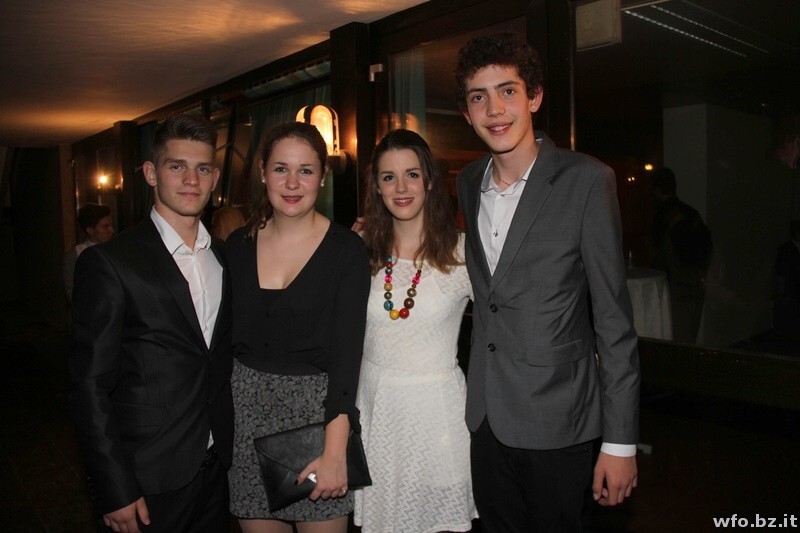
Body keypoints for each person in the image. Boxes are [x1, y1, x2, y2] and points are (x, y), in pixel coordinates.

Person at [454, 32, 640, 531]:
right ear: (467, 113)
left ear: (534, 97)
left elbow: (614, 322)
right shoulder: (468, 182)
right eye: (479, 97)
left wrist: (620, 442)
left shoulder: (587, 180)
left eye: (507, 91)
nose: (495, 109)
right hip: (485, 417)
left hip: (559, 420)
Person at [68, 114, 233, 532]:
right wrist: (114, 487)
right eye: (177, 166)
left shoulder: (224, 258)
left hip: (216, 469)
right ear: (150, 173)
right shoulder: (110, 262)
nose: (191, 180)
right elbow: (89, 385)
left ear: (215, 179)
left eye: (202, 169)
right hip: (146, 476)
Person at [225, 122, 369, 533]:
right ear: (262, 172)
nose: (292, 183)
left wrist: (336, 449)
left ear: (322, 176)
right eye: (280, 169)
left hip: (318, 424)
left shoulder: (346, 250)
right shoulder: (237, 246)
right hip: (246, 420)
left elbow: (348, 357)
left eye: (305, 170)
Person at [352, 129, 477, 532]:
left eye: (412, 174)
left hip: (436, 418)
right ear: (377, 188)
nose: (401, 188)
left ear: (429, 181)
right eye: (389, 177)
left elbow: (509, 318)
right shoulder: (359, 249)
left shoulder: (462, 253)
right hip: (377, 412)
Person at [650, 167, 712, 343]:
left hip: (675, 288)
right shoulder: (691, 212)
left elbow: (658, 256)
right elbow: (707, 247)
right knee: (690, 335)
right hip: (696, 284)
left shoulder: (662, 216)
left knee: (675, 337)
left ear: (657, 189)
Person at [63, 203, 114, 302]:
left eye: (111, 225)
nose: (111, 231)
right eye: (105, 227)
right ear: (90, 230)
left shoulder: (116, 250)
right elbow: (71, 293)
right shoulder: (75, 255)